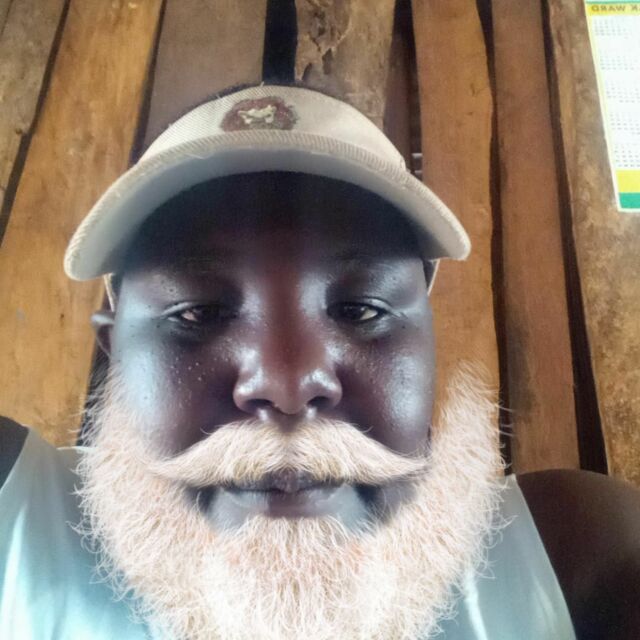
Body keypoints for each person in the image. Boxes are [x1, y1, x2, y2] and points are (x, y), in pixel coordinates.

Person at [0, 84, 639, 640]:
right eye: (197, 314)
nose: (287, 385)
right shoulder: (18, 516)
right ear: (115, 355)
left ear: (428, 343)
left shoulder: (574, 554)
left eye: (361, 310)